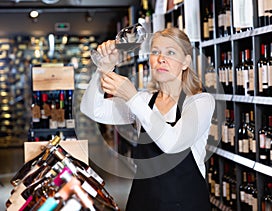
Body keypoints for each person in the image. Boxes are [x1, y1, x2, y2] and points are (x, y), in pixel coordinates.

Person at [80, 27, 215, 211]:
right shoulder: (145, 101)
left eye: (171, 52)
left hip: (186, 204)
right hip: (142, 201)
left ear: (185, 62)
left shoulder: (200, 102)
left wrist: (132, 97)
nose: (161, 58)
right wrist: (103, 68)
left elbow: (173, 143)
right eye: (155, 52)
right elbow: (92, 110)